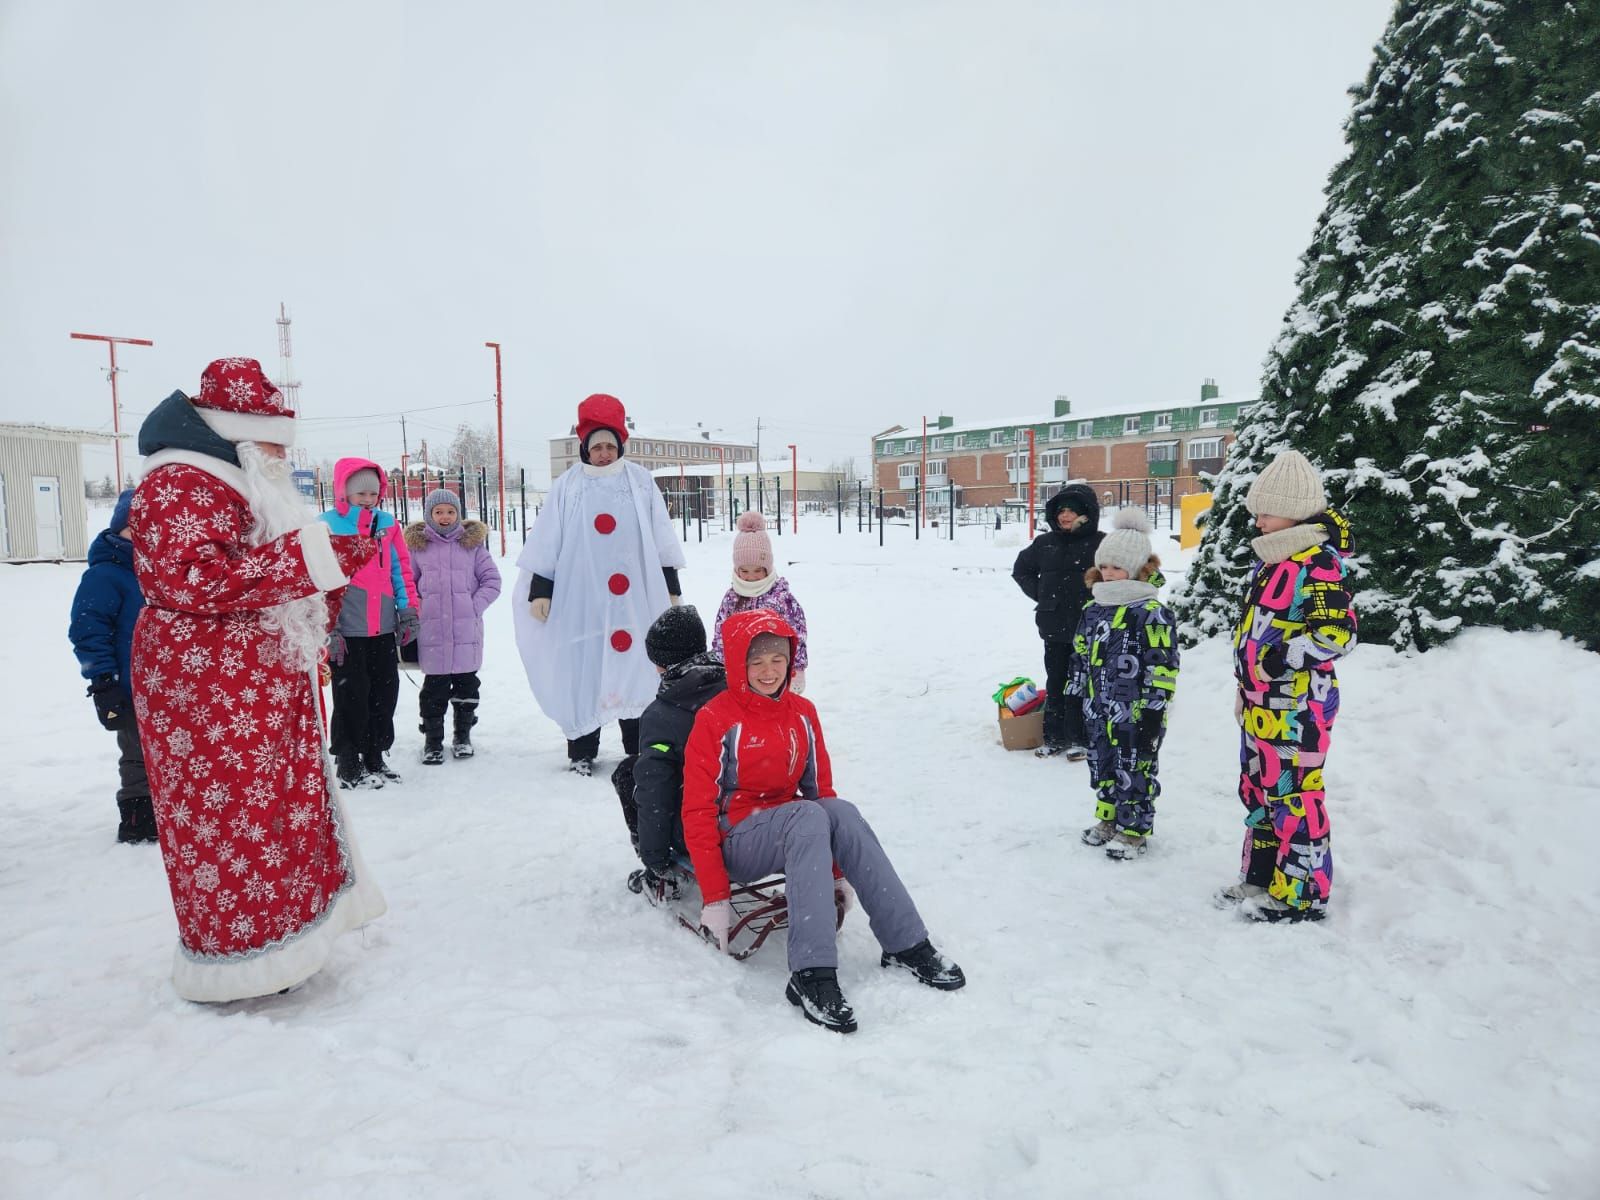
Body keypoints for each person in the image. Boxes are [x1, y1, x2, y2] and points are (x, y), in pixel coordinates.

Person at [128, 357, 385, 1002]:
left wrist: (326, 574)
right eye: (272, 441)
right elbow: (190, 580)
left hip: (250, 689)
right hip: (209, 696)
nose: (279, 454)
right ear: (238, 433)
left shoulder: (235, 481)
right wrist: (315, 559)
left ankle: (289, 943)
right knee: (233, 824)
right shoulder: (179, 482)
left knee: (273, 816)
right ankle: (243, 958)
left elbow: (263, 577)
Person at [682, 609, 965, 1034]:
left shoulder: (802, 713)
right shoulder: (716, 719)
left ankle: (907, 941)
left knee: (840, 811)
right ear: (738, 663)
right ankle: (810, 974)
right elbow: (698, 811)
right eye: (755, 661)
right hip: (735, 840)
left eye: (777, 659)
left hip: (793, 825)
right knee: (807, 815)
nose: (768, 670)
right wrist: (716, 897)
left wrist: (834, 874)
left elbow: (821, 793)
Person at [513, 393, 686, 776]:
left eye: (610, 446)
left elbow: (660, 535)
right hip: (583, 599)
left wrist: (669, 582)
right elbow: (548, 540)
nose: (604, 453)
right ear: (585, 449)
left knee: (638, 666)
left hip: (633, 602)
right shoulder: (568, 487)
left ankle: (638, 748)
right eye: (597, 447)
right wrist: (542, 588)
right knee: (584, 667)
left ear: (620, 445)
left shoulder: (640, 482)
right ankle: (582, 751)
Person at [1219, 450, 1357, 923]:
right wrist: (1246, 683)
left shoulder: (1318, 562)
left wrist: (1285, 657)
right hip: (1260, 703)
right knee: (1258, 790)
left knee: (1294, 795)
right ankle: (1261, 874)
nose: (1257, 522)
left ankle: (1302, 894)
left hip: (1299, 707)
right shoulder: (1273, 561)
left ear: (1295, 511)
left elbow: (1338, 633)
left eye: (1266, 512)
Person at [1067, 508, 1179, 861]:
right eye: (1104, 566)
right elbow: (1080, 651)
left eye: (1117, 567)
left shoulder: (1150, 612)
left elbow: (1163, 664)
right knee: (1103, 763)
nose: (1109, 573)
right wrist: (1075, 692)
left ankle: (1134, 830)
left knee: (1135, 767)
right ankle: (1109, 819)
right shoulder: (1094, 608)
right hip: (1098, 706)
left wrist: (1154, 709)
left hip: (1136, 709)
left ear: (1138, 569)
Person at [611, 605, 725, 899]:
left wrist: (655, 857)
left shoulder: (663, 714)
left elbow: (655, 793)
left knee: (631, 773)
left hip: (699, 828)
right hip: (743, 811)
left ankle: (661, 874)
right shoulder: (734, 688)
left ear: (663, 663)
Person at [319, 457, 418, 788]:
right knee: (351, 695)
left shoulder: (387, 524)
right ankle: (348, 759)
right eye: (359, 492)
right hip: (348, 630)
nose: (367, 499)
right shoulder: (326, 525)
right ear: (343, 491)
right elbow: (319, 581)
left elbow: (400, 569)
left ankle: (375, 754)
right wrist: (329, 628)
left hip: (383, 625)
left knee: (384, 693)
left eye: (372, 494)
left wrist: (407, 610)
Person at [68, 489, 154, 844]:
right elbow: (88, 630)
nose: (141, 536)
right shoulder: (106, 574)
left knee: (170, 753)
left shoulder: (160, 572)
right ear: (118, 529)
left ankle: (173, 811)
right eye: (133, 529)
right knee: (136, 753)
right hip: (127, 684)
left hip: (166, 684)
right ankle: (138, 817)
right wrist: (103, 681)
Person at [405, 489, 501, 763]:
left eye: (450, 512)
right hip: (432, 631)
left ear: (458, 514)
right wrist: (419, 607)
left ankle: (462, 736)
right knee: (434, 690)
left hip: (465, 632)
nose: (445, 517)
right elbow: (407, 582)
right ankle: (433, 741)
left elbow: (492, 580)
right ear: (429, 515)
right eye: (438, 512)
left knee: (466, 687)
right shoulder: (418, 548)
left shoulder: (472, 546)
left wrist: (474, 606)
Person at [1012, 484, 1105, 760]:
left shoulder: (1101, 543)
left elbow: (1119, 574)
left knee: (1085, 683)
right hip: (1054, 627)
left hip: (1089, 628)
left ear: (1086, 513)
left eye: (1071, 511)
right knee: (1056, 682)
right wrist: (1043, 595)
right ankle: (1055, 737)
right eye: (1061, 510)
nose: (1065, 516)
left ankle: (1082, 738)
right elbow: (1022, 570)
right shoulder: (1045, 543)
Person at [710, 511, 810, 693]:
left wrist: (797, 668)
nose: (750, 577)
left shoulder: (781, 598)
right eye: (744, 571)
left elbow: (798, 633)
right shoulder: (732, 598)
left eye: (757, 570)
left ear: (768, 568)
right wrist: (721, 664)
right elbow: (720, 634)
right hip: (741, 672)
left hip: (773, 674)